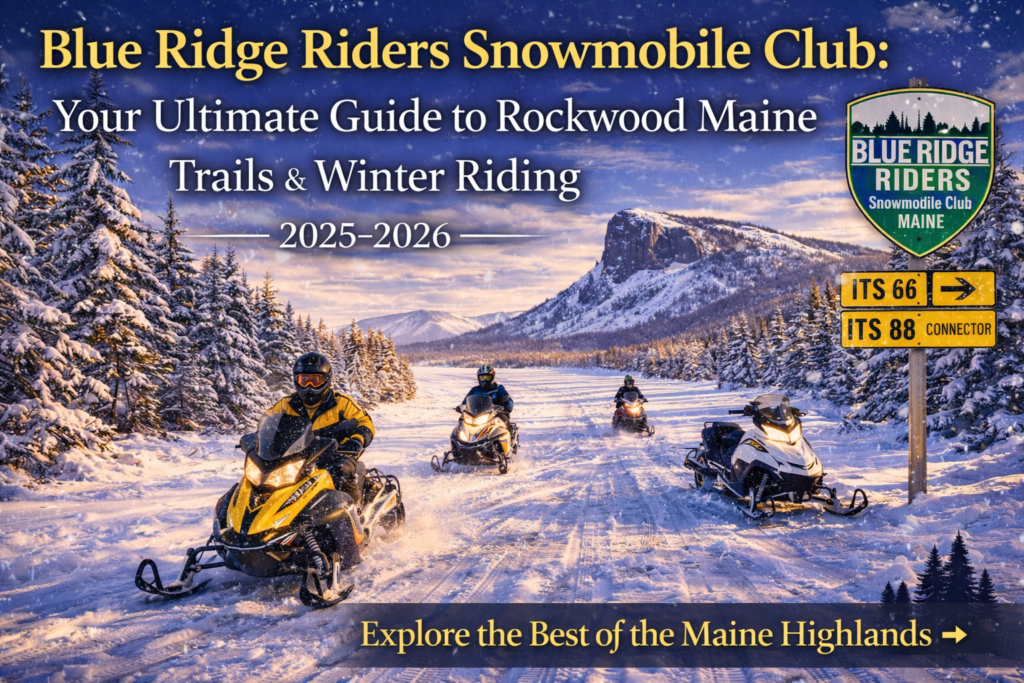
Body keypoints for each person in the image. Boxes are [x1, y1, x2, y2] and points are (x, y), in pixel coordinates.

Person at [266, 352, 375, 504]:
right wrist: (257, 440)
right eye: (304, 380)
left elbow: (364, 421)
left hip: (337, 454)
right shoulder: (286, 404)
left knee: (340, 470)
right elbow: (268, 421)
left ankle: (353, 512)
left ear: (326, 380)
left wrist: (357, 439)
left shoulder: (341, 403)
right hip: (297, 456)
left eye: (315, 381)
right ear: (296, 380)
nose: (309, 386)